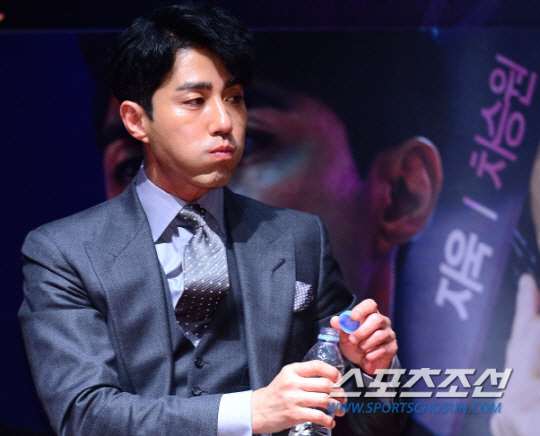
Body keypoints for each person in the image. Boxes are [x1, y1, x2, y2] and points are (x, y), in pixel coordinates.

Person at [19, 4, 404, 436]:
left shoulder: (298, 237)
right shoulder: (66, 253)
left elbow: (375, 425)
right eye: (195, 101)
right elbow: (84, 416)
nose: (224, 122)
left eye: (234, 98)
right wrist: (251, 412)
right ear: (136, 120)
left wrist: (375, 370)